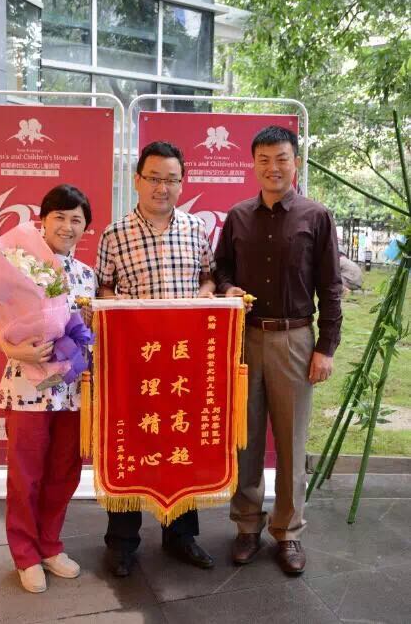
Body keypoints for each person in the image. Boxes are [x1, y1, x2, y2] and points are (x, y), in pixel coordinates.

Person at [214, 126, 342, 575]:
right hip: (245, 338)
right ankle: (247, 525)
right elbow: (222, 268)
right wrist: (228, 288)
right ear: (253, 165)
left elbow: (331, 286)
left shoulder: (316, 216)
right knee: (245, 438)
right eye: (264, 159)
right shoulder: (238, 216)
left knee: (291, 441)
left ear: (296, 162)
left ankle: (288, 532)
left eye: (282, 158)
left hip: (295, 339)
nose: (273, 168)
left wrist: (326, 347)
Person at [95, 140, 216, 577]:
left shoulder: (196, 229)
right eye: (153, 178)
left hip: (182, 361)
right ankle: (122, 542)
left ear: (182, 183)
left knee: (180, 440)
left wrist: (205, 295)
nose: (162, 188)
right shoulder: (114, 234)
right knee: (132, 442)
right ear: (137, 180)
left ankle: (181, 535)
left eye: (171, 179)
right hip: (136, 362)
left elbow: (209, 278)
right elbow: (103, 289)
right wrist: (121, 309)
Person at [0, 184, 96, 593]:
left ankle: (50, 545)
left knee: (64, 472)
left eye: (76, 219)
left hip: (73, 391)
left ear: (85, 227)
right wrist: (14, 349)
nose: (67, 226)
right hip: (27, 388)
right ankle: (25, 554)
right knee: (25, 475)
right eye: (59, 217)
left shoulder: (88, 276)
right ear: (43, 222)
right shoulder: (20, 267)